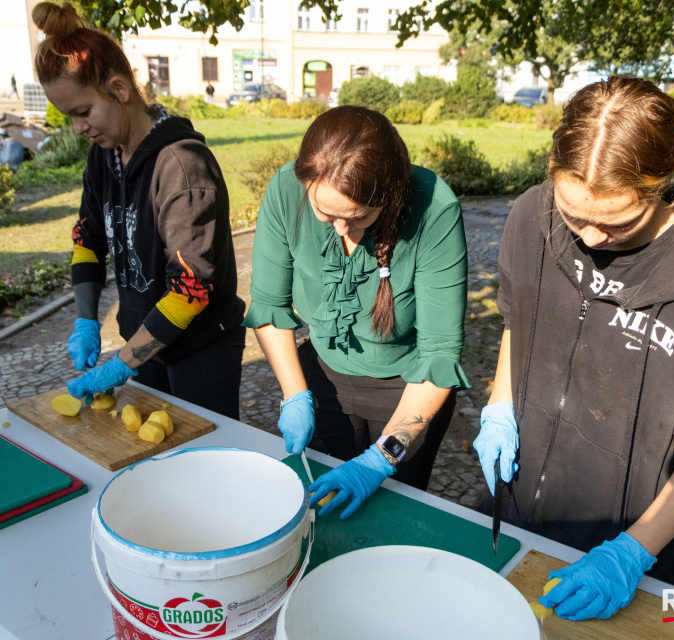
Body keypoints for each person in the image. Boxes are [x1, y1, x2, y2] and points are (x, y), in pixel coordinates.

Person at [475, 76, 674, 621]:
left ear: (664, 186)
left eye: (617, 221)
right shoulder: (531, 218)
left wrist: (634, 550)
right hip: (522, 503)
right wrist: (499, 405)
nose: (588, 239)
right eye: (573, 215)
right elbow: (519, 319)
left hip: (628, 540)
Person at [245, 105, 469, 519]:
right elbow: (269, 306)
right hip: (323, 379)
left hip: (407, 391)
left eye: (358, 216)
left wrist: (381, 459)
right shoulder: (284, 191)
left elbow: (439, 355)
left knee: (390, 520)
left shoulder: (435, 209)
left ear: (391, 196)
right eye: (326, 214)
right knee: (324, 512)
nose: (341, 230)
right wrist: (295, 393)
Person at [32, 2, 246, 417]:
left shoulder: (182, 166)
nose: (79, 129)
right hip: (144, 342)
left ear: (119, 89)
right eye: (68, 118)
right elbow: (88, 238)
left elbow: (191, 289)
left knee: (202, 462)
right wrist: (85, 319)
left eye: (83, 112)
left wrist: (120, 365)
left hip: (200, 348)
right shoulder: (104, 157)